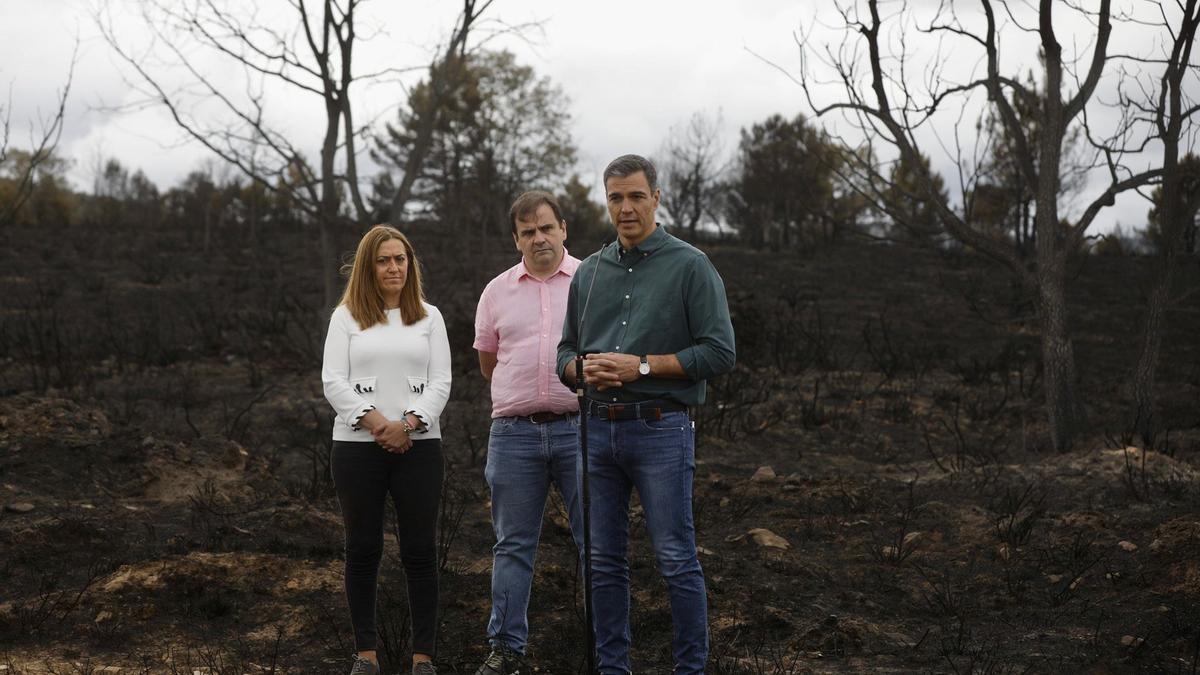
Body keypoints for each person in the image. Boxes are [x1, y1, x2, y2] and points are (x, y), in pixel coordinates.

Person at [557, 155, 735, 673]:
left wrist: (640, 366)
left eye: (636, 196)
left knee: (676, 559)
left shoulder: (691, 266)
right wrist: (582, 370)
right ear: (606, 201)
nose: (626, 208)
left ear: (657, 197)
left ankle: (690, 669)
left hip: (661, 429)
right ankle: (614, 668)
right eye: (616, 197)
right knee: (604, 563)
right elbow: (565, 352)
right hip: (594, 431)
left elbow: (720, 352)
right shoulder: (588, 272)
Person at [322, 224, 452, 675]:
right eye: (383, 260)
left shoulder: (429, 317)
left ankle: (423, 658)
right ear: (368, 267)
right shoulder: (347, 317)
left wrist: (410, 424)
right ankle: (365, 655)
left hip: (419, 448)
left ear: (410, 264)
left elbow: (441, 382)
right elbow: (333, 381)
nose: (393, 267)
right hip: (357, 450)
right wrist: (377, 422)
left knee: (419, 550)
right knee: (362, 548)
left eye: (400, 259)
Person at [472, 191, 585, 674]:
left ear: (563, 228)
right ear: (515, 239)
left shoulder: (593, 280)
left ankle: (604, 645)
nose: (538, 238)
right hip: (514, 434)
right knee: (512, 545)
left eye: (546, 227)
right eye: (527, 231)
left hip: (582, 430)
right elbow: (488, 361)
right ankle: (506, 650)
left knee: (597, 540)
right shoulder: (496, 291)